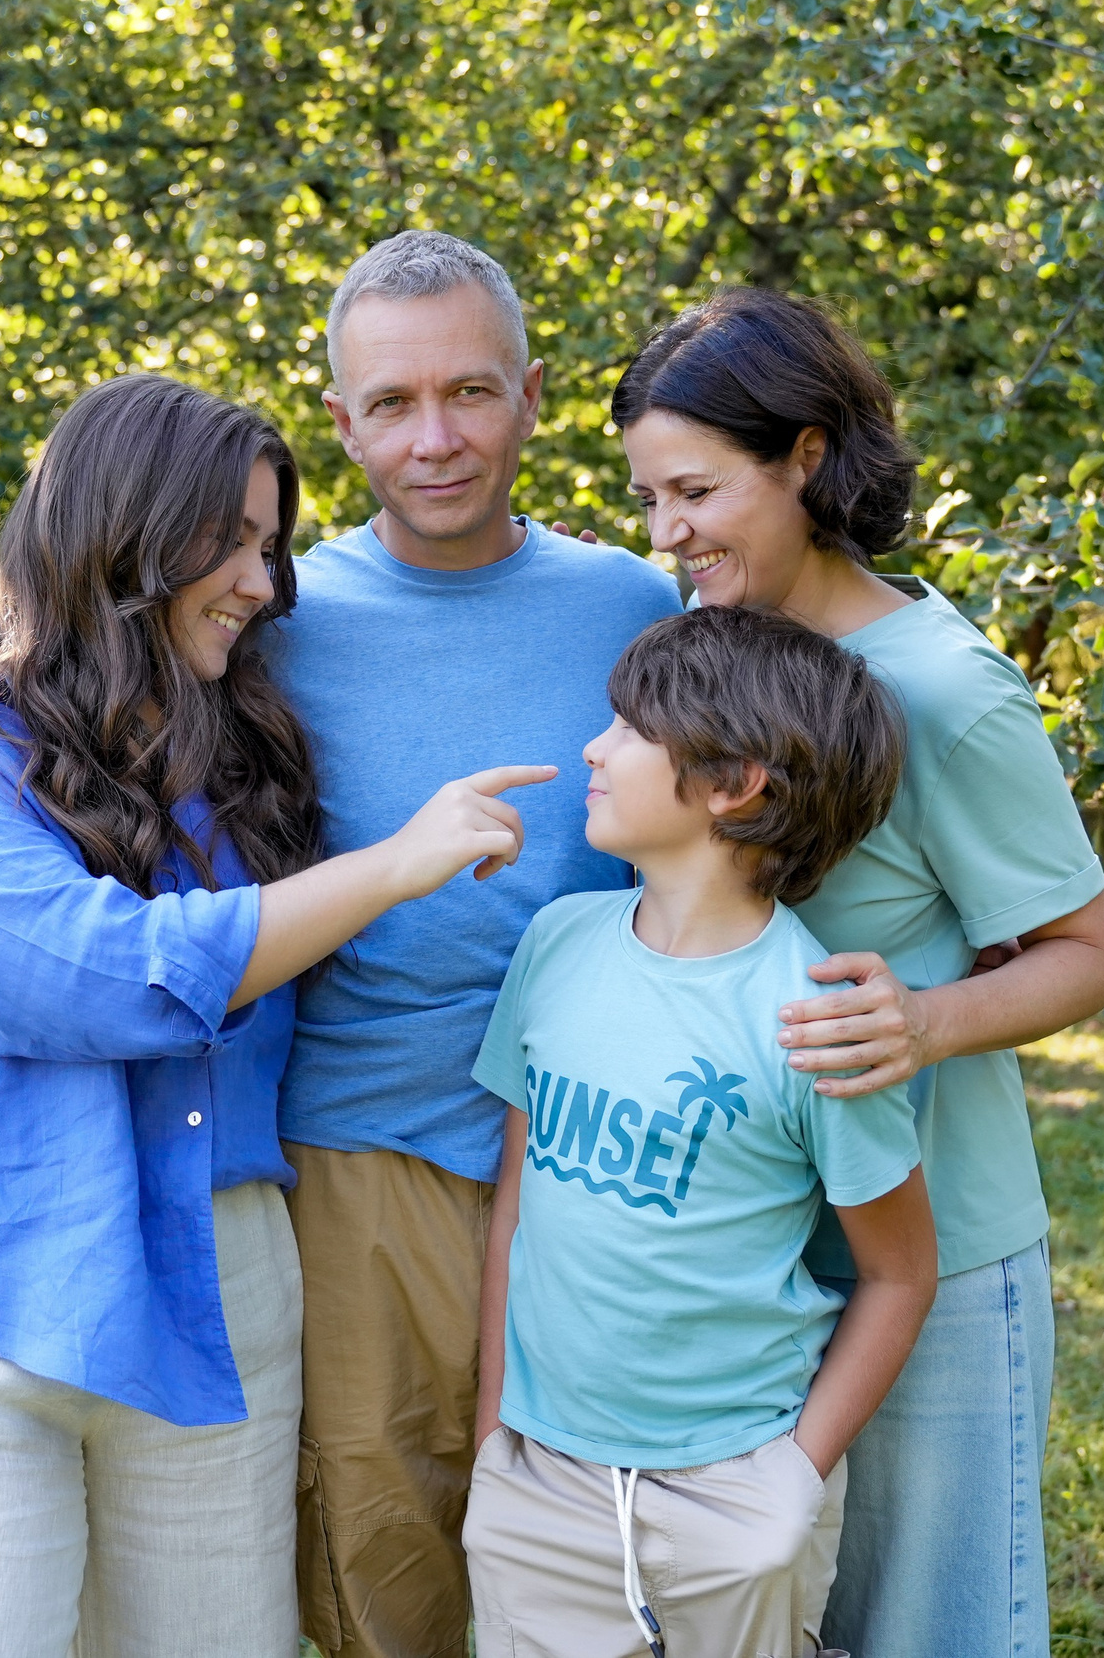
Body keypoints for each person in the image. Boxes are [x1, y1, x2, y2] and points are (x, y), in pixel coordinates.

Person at [0, 235, 945, 1658]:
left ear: (534, 395)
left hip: (629, 1162)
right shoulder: (265, 632)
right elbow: (76, 825)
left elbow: (779, 757)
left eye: (472, 393)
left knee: (657, 1565)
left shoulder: (637, 600)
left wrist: (912, 992)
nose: (435, 439)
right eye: (390, 404)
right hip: (356, 1159)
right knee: (394, 1561)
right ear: (342, 416)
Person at [0, 372, 558, 1657]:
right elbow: (93, 973)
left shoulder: (251, 752)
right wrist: (392, 863)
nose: (264, 583)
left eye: (272, 547)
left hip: (228, 1296)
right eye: (233, 544)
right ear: (126, 537)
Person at [612, 287, 1104, 1658]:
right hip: (740, 1257)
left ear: (807, 455)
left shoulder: (946, 691)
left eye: (696, 490)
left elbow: (1087, 953)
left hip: (928, 1258)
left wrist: (925, 1016)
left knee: (924, 1627)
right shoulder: (717, 662)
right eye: (649, 498)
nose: (669, 534)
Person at [465, 606, 940, 1658]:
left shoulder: (814, 1021)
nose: (594, 746)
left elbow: (900, 1274)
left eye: (630, 728)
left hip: (737, 1492)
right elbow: (518, 1207)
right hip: (541, 1485)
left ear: (733, 784)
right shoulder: (556, 946)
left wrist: (787, 1486)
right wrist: (495, 1439)